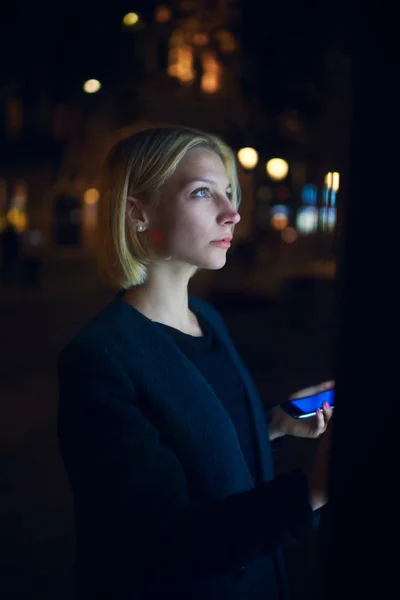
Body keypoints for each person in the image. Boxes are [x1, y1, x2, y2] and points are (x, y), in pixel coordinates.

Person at [57, 126, 334, 600]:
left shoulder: (204, 319)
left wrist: (273, 423)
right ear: (138, 213)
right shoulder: (99, 360)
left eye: (228, 193)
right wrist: (313, 490)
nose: (232, 213)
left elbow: (191, 441)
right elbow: (162, 544)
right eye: (202, 193)